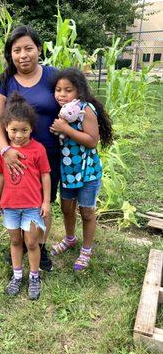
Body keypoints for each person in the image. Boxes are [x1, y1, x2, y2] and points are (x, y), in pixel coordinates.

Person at [0, 25, 60, 271]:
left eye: (29, 48)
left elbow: (72, 102)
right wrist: (5, 151)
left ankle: (39, 246)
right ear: (11, 54)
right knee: (19, 202)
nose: (23, 55)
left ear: (39, 49)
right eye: (16, 50)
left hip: (48, 153)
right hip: (15, 157)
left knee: (43, 202)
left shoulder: (52, 76)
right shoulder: (5, 82)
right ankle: (19, 244)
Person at [50, 68, 113, 271]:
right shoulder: (61, 111)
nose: (61, 94)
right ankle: (70, 239)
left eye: (67, 90)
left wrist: (65, 129)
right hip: (68, 172)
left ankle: (86, 249)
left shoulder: (86, 110)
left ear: (79, 91)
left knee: (86, 212)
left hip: (88, 173)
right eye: (58, 89)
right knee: (66, 208)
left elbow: (92, 141)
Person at [0, 92, 51, 300]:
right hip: (10, 206)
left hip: (32, 207)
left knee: (31, 242)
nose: (19, 135)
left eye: (24, 130)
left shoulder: (38, 150)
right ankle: (17, 276)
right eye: (14, 130)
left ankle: (34, 276)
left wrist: (46, 202)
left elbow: (45, 175)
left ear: (31, 129)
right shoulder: (3, 152)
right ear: (6, 128)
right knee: (15, 241)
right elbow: (0, 175)